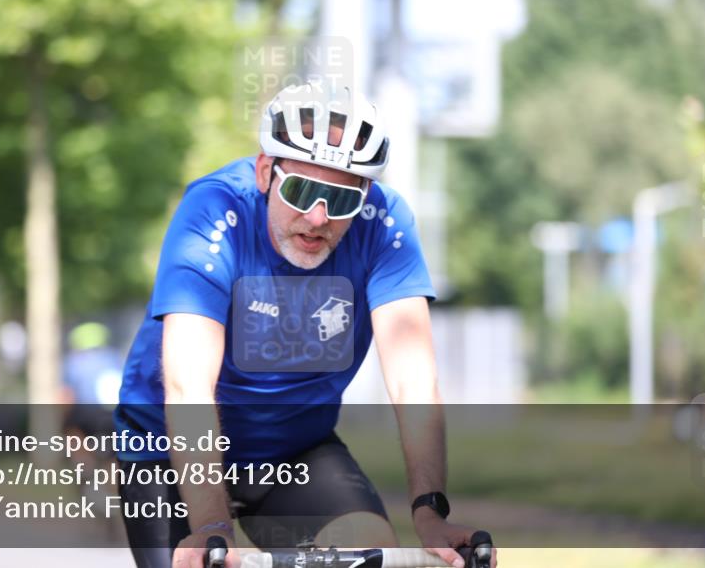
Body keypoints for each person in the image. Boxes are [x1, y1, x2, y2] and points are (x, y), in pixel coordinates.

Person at [114, 81, 495, 568]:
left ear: (366, 193)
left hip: (294, 450)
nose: (318, 218)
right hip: (167, 452)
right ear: (265, 171)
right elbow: (189, 387)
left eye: (340, 200)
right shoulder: (214, 211)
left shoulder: (384, 225)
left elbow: (413, 378)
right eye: (301, 192)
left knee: (368, 550)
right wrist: (210, 527)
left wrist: (430, 512)